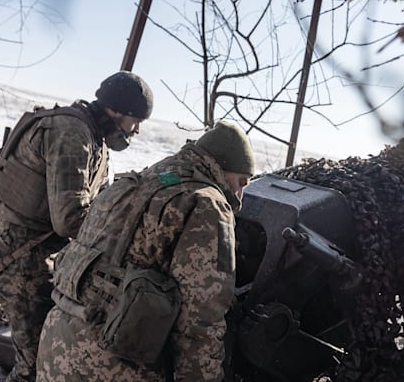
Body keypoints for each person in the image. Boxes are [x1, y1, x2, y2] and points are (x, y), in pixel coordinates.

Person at [36, 121, 255, 382]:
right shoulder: (207, 204)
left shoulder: (139, 181)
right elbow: (199, 320)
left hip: (57, 343)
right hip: (111, 364)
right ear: (222, 166)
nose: (240, 195)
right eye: (241, 181)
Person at [0, 71, 154, 382]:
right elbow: (70, 218)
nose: (137, 130)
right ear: (116, 110)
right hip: (20, 258)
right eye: (135, 119)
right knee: (34, 361)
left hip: (37, 258)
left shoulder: (92, 136)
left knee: (51, 354)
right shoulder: (72, 133)